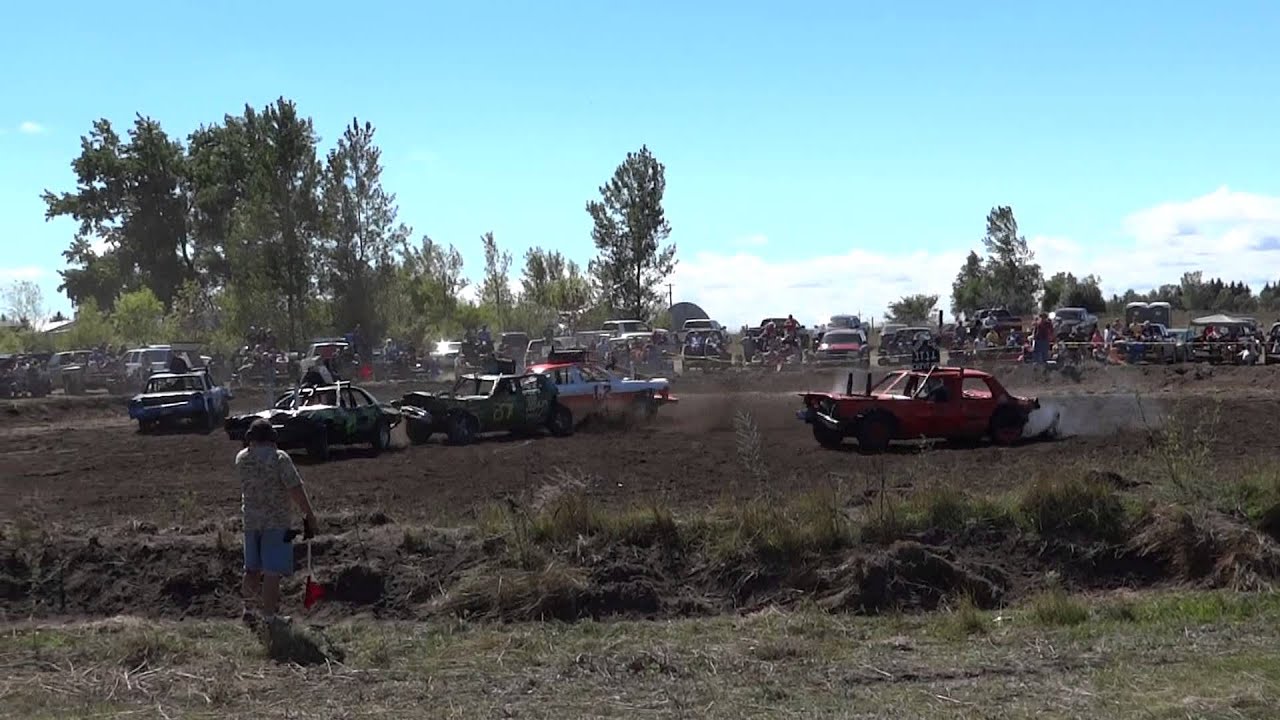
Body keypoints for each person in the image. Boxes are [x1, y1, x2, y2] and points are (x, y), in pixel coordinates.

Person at [238, 418, 318, 626]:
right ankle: (270, 617)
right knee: (272, 571)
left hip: (250, 522)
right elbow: (295, 489)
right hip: (276, 522)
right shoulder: (280, 459)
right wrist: (309, 515)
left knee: (252, 569)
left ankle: (248, 610)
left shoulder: (241, 459)